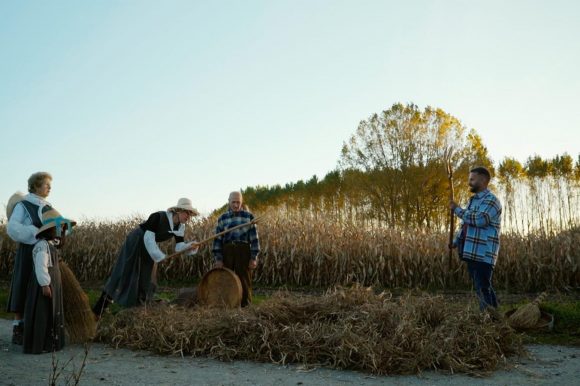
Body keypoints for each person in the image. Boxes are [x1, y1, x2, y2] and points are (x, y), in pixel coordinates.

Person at [93, 198, 199, 317]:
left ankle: (138, 308)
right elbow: (148, 238)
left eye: (190, 214)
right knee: (123, 271)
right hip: (137, 241)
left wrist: (190, 247)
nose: (188, 217)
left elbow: (179, 246)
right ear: (178, 210)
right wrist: (160, 256)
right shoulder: (158, 217)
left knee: (147, 276)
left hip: (150, 247)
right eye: (187, 213)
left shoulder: (180, 227)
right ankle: (99, 308)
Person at [6, 172, 54, 345]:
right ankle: (18, 328)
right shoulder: (24, 205)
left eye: (50, 185)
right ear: (35, 186)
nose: (49, 187)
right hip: (28, 250)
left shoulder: (48, 206)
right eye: (46, 184)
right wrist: (35, 233)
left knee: (42, 286)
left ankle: (35, 326)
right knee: (22, 284)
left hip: (44, 250)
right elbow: (12, 228)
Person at [450, 167, 502, 311]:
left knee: (483, 287)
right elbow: (466, 225)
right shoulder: (473, 201)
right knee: (482, 287)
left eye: (472, 179)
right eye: (469, 179)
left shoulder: (492, 201)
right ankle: (494, 316)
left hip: (483, 253)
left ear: (483, 180)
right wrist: (455, 242)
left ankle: (489, 318)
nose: (469, 182)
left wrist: (457, 210)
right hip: (471, 252)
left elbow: (480, 220)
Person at [23, 208, 75, 354]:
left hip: (53, 285)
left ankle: (50, 343)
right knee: (43, 313)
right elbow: (41, 266)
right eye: (59, 228)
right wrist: (45, 284)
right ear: (50, 230)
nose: (62, 231)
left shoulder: (50, 245)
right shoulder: (42, 246)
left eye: (63, 229)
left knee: (51, 312)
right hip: (44, 286)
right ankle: (41, 344)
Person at [212, 191, 260, 307]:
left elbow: (254, 240)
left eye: (238, 202)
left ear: (241, 202)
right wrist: (218, 258)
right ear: (228, 202)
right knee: (226, 279)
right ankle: (227, 305)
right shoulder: (222, 218)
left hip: (243, 251)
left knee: (244, 280)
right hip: (227, 251)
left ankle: (245, 307)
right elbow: (217, 240)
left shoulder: (249, 217)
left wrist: (254, 257)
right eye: (233, 202)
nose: (235, 205)